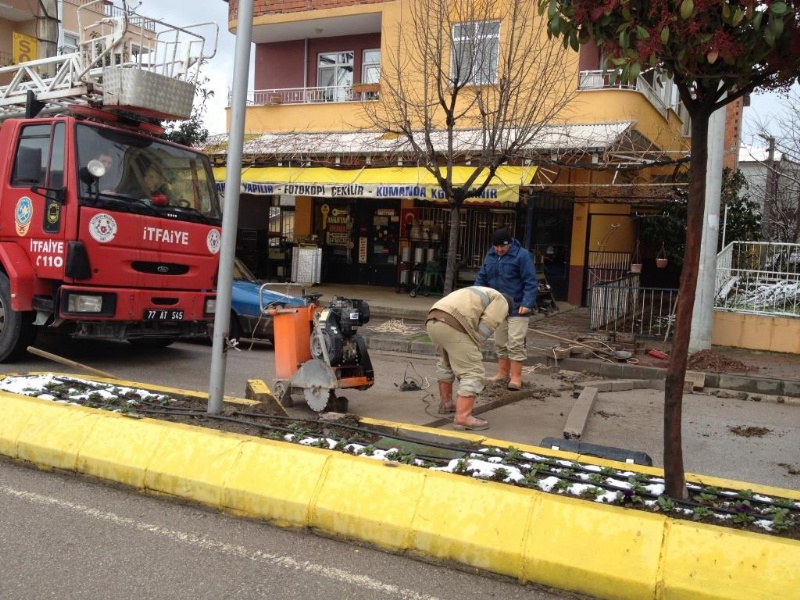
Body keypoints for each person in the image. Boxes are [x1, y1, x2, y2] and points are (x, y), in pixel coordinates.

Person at [425, 286, 513, 431]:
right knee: (473, 372)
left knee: (447, 363)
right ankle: (463, 418)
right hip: (453, 322)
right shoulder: (502, 301)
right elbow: (488, 324)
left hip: (433, 319)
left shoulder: (481, 291)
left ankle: (446, 403)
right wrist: (474, 346)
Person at [475, 227, 538, 391]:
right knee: (500, 342)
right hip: (498, 306)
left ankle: (516, 377)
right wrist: (476, 297)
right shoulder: (490, 256)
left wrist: (527, 302)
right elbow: (482, 278)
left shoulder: (522, 256)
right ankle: (502, 373)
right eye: (496, 247)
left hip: (518, 307)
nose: (499, 250)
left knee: (515, 342)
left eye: (502, 247)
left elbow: (530, 282)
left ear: (509, 244)